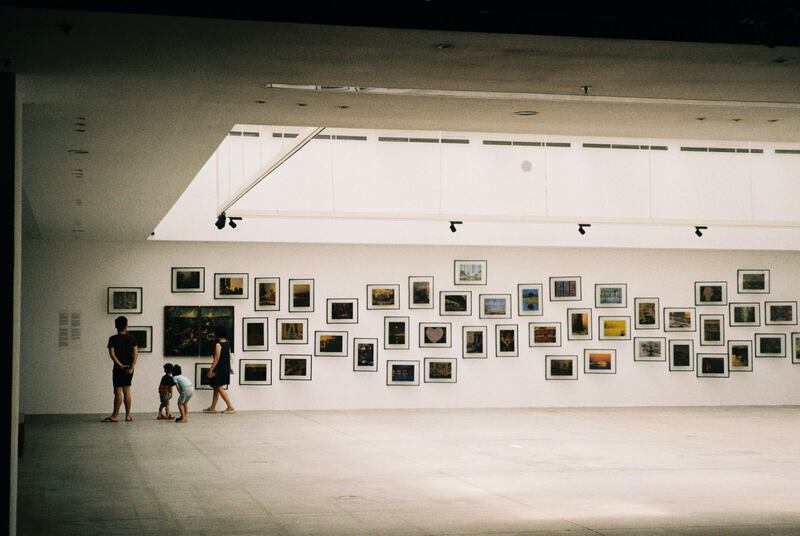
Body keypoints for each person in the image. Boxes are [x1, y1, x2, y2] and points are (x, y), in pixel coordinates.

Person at [103, 315, 138, 423]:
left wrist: (120, 365)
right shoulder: (132, 338)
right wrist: (132, 367)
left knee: (118, 391)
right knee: (127, 390)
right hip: (129, 368)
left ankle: (115, 416)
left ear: (116, 326)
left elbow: (112, 355)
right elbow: (135, 354)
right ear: (126, 326)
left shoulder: (112, 339)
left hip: (118, 369)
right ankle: (128, 416)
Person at [203, 325, 236, 414]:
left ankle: (230, 407)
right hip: (225, 368)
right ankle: (212, 408)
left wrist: (211, 369)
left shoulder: (218, 344)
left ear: (217, 333)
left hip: (219, 369)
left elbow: (216, 359)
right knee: (216, 387)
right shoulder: (227, 343)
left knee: (219, 387)